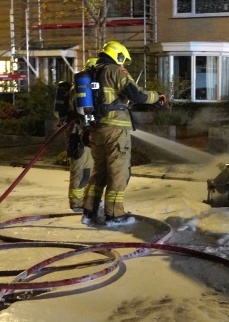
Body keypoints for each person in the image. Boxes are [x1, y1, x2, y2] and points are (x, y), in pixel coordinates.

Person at [81, 41, 166, 226]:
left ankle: (89, 211)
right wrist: (157, 97)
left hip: (96, 130)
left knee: (99, 171)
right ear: (118, 55)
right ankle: (114, 214)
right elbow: (136, 95)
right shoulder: (114, 71)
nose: (123, 65)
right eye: (122, 61)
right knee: (118, 172)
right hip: (115, 131)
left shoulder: (92, 71)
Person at [63, 57, 98, 212]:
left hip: (84, 134)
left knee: (88, 170)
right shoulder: (79, 89)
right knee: (82, 171)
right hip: (79, 135)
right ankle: (77, 203)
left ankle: (84, 201)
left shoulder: (86, 88)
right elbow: (83, 113)